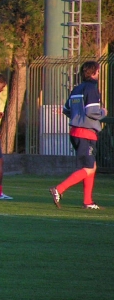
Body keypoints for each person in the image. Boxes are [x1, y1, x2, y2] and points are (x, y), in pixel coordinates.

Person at [49, 61, 107, 209]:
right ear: (94, 72)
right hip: (85, 133)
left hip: (75, 132)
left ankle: (88, 201)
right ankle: (59, 189)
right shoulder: (91, 88)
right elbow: (91, 111)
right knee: (88, 168)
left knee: (91, 167)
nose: (99, 74)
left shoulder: (77, 89)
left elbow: (66, 109)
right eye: (98, 71)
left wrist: (77, 117)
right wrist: (103, 112)